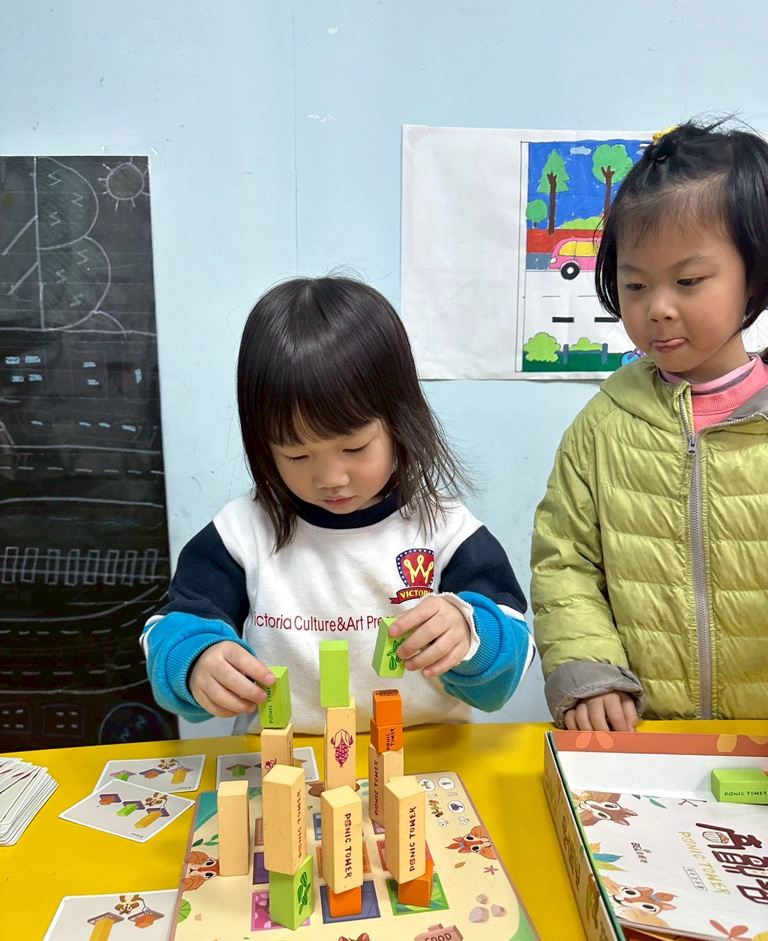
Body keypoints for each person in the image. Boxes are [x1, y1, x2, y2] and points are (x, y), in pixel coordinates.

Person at [143, 276, 534, 733]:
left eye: (354, 448)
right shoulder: (240, 534)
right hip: (287, 759)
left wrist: (471, 637)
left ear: (400, 421)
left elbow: (508, 663)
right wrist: (196, 661)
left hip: (423, 757)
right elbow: (172, 629)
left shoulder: (446, 531)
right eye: (296, 455)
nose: (330, 478)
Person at [531, 119, 768, 731]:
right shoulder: (603, 426)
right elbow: (565, 562)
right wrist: (591, 671)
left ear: (754, 275)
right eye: (635, 284)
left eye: (688, 282)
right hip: (644, 737)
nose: (657, 307)